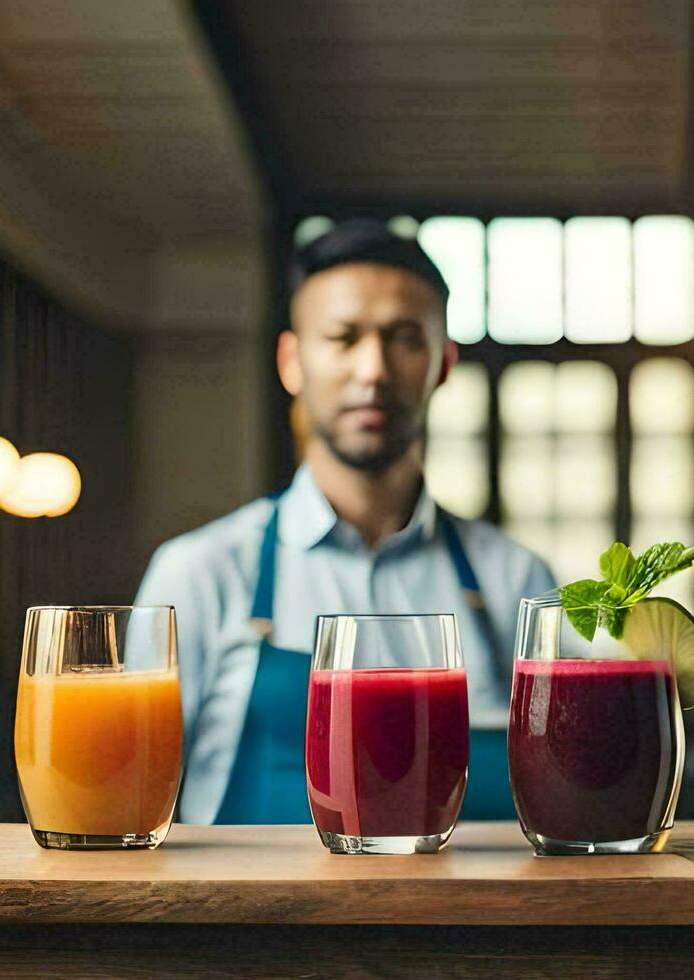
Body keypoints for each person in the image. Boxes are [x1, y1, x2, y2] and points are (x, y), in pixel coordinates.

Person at [135, 219, 555, 825]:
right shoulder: (200, 573)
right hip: (252, 922)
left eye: (404, 337)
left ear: (442, 363)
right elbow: (131, 807)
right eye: (343, 337)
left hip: (472, 920)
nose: (373, 369)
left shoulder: (518, 580)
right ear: (291, 362)